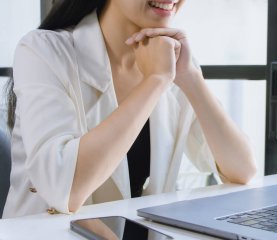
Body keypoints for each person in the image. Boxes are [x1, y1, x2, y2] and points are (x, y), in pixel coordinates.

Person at [3, 0, 256, 218]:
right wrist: (154, 81)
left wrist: (190, 77)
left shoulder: (171, 63)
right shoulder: (43, 50)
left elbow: (243, 169)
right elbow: (64, 188)